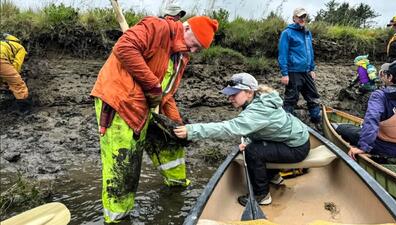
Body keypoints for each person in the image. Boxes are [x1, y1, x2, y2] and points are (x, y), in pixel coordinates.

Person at [90, 15, 218, 223]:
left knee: (172, 142)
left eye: (199, 49)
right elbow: (124, 47)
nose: (194, 51)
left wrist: (177, 125)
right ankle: (117, 217)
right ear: (186, 29)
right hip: (120, 102)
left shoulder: (181, 56)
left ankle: (177, 186)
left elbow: (166, 95)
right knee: (124, 164)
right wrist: (152, 86)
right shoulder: (156, 27)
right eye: (195, 45)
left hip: (145, 107)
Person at [173, 73, 310, 206]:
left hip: (296, 148)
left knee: (253, 152)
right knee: (252, 146)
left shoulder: (258, 110)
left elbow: (228, 128)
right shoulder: (260, 99)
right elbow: (261, 128)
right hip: (295, 139)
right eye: (229, 94)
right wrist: (250, 141)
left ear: (249, 92)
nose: (230, 98)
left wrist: (192, 130)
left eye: (234, 94)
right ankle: (273, 177)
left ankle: (261, 196)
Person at [336, 60, 396, 160]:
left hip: (384, 147)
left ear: (390, 77)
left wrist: (364, 147)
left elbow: (372, 119)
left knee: (342, 128)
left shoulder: (380, 95)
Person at [278, 7, 321, 124]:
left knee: (313, 96)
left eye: (304, 16)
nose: (302, 19)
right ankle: (286, 123)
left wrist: (311, 68)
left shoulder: (308, 33)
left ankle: (317, 121)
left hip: (306, 71)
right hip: (293, 71)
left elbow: (310, 51)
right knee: (291, 99)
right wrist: (284, 73)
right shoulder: (287, 33)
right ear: (294, 18)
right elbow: (282, 54)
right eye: (299, 16)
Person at [0, 33, 31, 114]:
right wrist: (12, 79)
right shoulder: (20, 47)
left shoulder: (3, 44)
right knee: (17, 84)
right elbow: (17, 64)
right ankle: (24, 109)